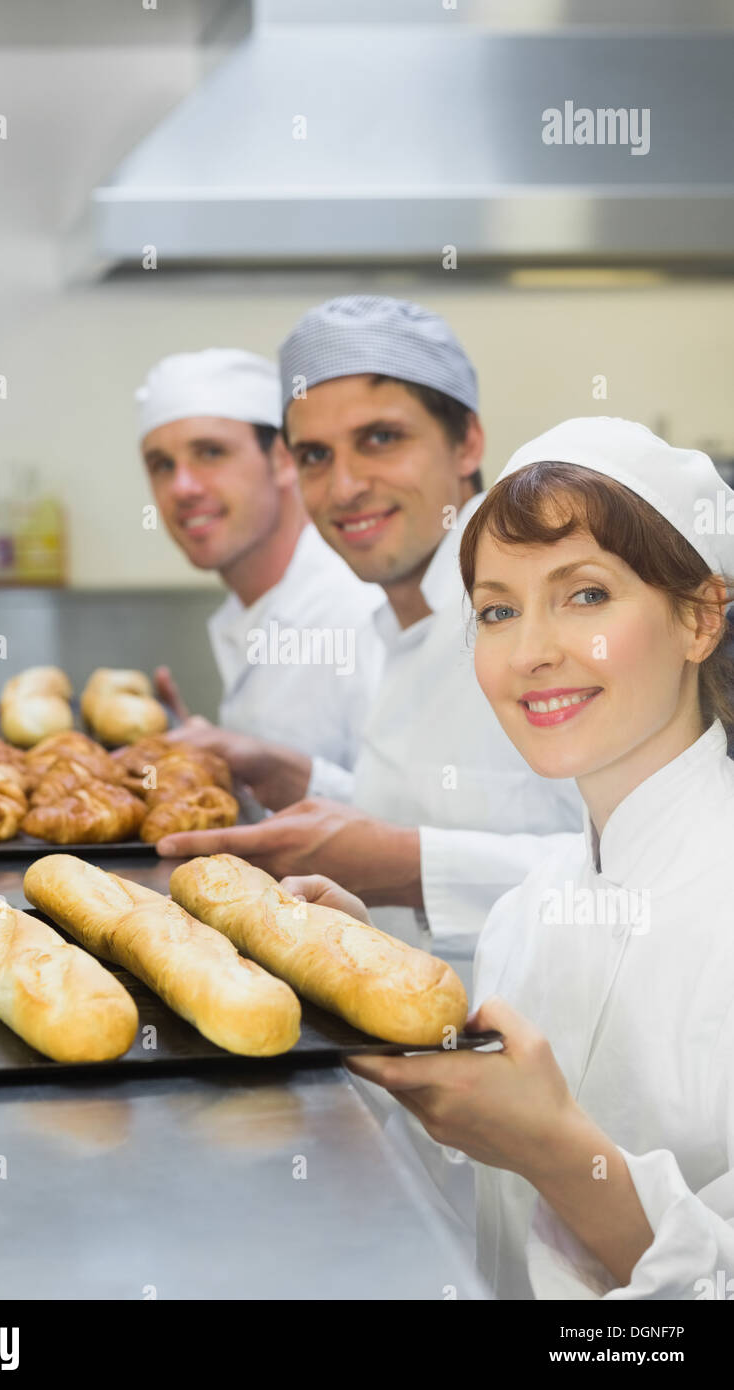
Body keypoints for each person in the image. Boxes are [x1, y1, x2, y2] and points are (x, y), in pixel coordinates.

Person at [303, 416, 734, 1299]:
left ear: (700, 617)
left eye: (584, 596)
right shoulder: (526, 916)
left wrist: (557, 1148)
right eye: (498, 610)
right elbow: (485, 1228)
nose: (531, 653)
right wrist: (373, 1005)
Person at [158, 299, 582, 955]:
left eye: (380, 439)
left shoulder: (553, 617)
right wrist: (299, 779)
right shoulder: (395, 622)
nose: (346, 485)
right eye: (316, 455)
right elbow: (443, 813)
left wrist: (406, 866)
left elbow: (649, 874)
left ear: (467, 440)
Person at [135, 348, 383, 777]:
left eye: (210, 452)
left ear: (284, 459)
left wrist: (290, 777)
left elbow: (411, 820)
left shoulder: (361, 608)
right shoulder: (248, 611)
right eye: (162, 465)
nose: (183, 487)